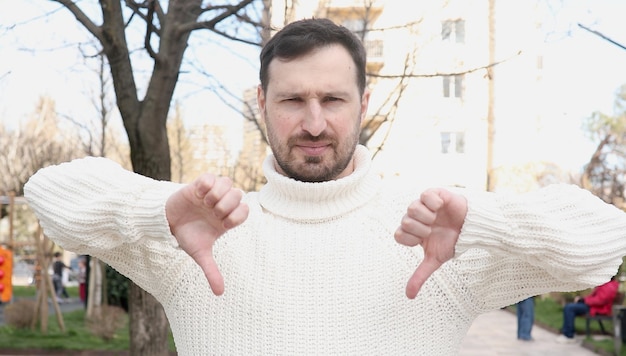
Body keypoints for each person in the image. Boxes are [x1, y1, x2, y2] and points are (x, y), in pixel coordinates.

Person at [23, 18, 626, 355]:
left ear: (365, 102)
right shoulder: (201, 235)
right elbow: (51, 195)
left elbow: (604, 244)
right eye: (292, 100)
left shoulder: (429, 238)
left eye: (333, 99)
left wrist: (483, 225)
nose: (314, 123)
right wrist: (157, 211)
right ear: (261, 103)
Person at [556, 276, 619, 344]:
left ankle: (569, 336)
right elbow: (594, 297)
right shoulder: (606, 284)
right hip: (593, 306)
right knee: (569, 307)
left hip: (597, 309)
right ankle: (568, 333)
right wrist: (582, 299)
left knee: (569, 308)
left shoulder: (609, 286)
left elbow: (600, 301)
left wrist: (584, 300)